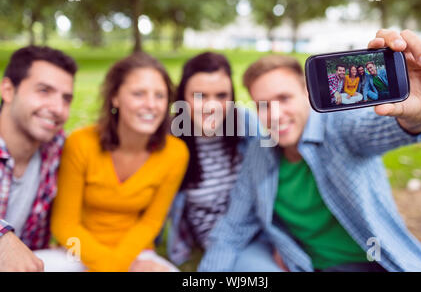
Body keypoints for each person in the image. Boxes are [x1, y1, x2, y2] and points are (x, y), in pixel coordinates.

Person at [198, 29, 421, 272]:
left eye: (284, 98)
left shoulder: (338, 127)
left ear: (307, 94)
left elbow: (379, 130)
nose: (274, 115)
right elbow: (232, 227)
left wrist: (418, 117)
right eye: (263, 105)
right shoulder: (258, 154)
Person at [44, 52, 189, 272]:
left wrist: (117, 264)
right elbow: (65, 224)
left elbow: (150, 223)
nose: (151, 104)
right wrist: (107, 266)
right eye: (139, 94)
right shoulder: (81, 143)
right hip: (77, 250)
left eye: (160, 96)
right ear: (115, 97)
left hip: (135, 253)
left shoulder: (175, 153)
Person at [167, 52, 260, 266]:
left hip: (258, 230)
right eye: (200, 96)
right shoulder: (170, 138)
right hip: (216, 240)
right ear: (182, 97)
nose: (212, 107)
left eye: (221, 96)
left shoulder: (245, 123)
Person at [0, 46, 77, 271]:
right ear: (8, 90)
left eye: (66, 99)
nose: (57, 108)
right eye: (44, 91)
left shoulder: (56, 149)